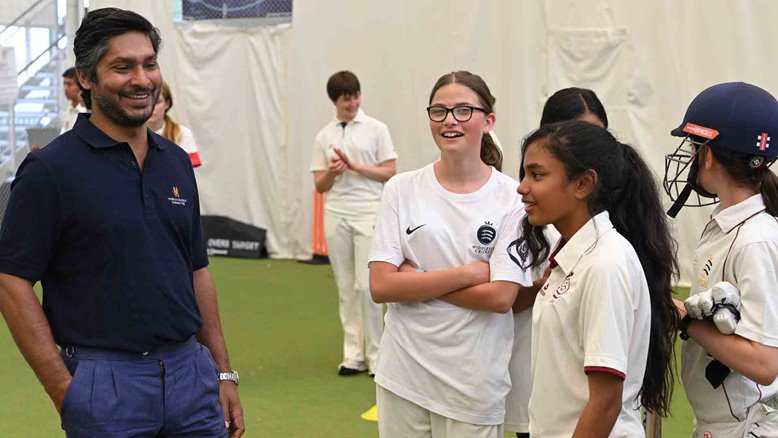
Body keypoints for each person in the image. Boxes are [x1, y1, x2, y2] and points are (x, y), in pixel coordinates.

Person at [0, 8, 243, 437]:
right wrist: (64, 389)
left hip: (191, 376)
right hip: (105, 382)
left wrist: (222, 373)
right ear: (87, 78)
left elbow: (197, 270)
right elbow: (12, 282)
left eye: (149, 64)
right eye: (123, 67)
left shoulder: (175, 162)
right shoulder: (51, 170)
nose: (142, 79)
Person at [368, 70, 530, 437]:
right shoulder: (400, 188)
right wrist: (470, 273)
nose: (449, 121)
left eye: (462, 111)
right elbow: (380, 285)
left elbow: (500, 297)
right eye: (438, 111)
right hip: (403, 376)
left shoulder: (513, 198)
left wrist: (413, 280)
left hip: (474, 386)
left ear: (488, 120)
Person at [517, 120, 677, 436]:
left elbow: (605, 403)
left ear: (583, 184)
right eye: (524, 174)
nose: (522, 187)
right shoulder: (575, 258)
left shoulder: (606, 264)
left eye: (537, 175)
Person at [664, 82, 778, 437]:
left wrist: (685, 321)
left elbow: (765, 363)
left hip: (748, 427)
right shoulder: (725, 224)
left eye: (694, 146)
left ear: (709, 155)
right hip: (722, 424)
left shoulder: (755, 240)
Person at [504, 87, 608, 438]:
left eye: (595, 136)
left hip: (589, 397)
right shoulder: (526, 214)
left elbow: (607, 398)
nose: (586, 147)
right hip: (540, 387)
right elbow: (501, 297)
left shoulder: (608, 246)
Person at [310, 70, 397, 376]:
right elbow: (320, 185)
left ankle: (376, 357)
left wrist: (355, 166)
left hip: (369, 211)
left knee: (366, 286)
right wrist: (335, 170)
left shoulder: (376, 129)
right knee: (346, 287)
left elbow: (389, 171)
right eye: (346, 98)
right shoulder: (324, 136)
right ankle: (352, 356)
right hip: (336, 213)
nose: (352, 102)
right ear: (335, 100)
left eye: (355, 96)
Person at [147, 81, 202, 167]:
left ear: (167, 103)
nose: (152, 107)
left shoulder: (182, 133)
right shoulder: (131, 134)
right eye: (147, 101)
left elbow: (187, 172)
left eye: (157, 102)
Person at [60, 66, 87, 133]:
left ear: (80, 86)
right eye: (64, 84)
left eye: (69, 84)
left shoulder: (89, 112)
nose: (65, 88)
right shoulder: (66, 113)